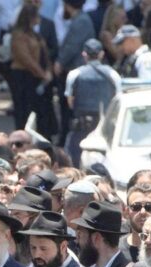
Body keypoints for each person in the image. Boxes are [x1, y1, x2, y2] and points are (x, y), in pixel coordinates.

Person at [64, 39, 120, 167]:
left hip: (82, 126)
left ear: (84, 54)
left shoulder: (74, 74)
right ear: (101, 54)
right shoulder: (113, 74)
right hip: (106, 126)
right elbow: (118, 100)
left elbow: (70, 102)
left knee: (76, 160)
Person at [56, 0, 96, 146]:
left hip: (77, 71)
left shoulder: (81, 21)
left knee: (70, 107)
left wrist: (60, 62)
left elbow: (72, 46)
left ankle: (68, 140)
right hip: (74, 70)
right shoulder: (79, 20)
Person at [10, 4, 55, 134]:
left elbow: (44, 54)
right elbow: (26, 58)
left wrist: (48, 70)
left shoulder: (35, 34)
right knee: (23, 110)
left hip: (35, 77)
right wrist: (41, 73)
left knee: (39, 110)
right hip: (23, 76)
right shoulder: (18, 35)